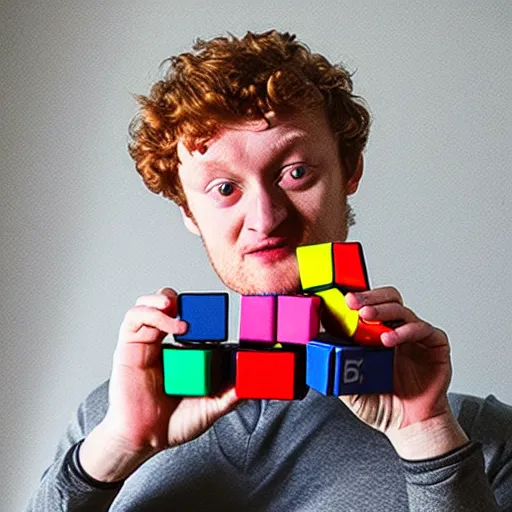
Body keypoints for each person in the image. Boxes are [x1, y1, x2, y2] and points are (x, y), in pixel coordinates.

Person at [26, 30, 512, 511]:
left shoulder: (478, 438)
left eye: (295, 172)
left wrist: (428, 439)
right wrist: (113, 451)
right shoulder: (108, 416)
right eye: (223, 189)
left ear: (350, 171)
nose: (266, 218)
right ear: (188, 212)